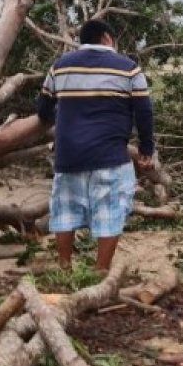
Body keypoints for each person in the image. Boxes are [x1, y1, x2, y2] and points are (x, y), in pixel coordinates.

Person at [37, 20, 154, 270]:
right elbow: (144, 113)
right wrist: (146, 149)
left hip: (68, 157)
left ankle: (65, 268)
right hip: (110, 156)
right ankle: (100, 272)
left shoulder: (60, 66)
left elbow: (43, 109)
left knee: (65, 213)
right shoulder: (129, 69)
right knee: (110, 213)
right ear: (107, 38)